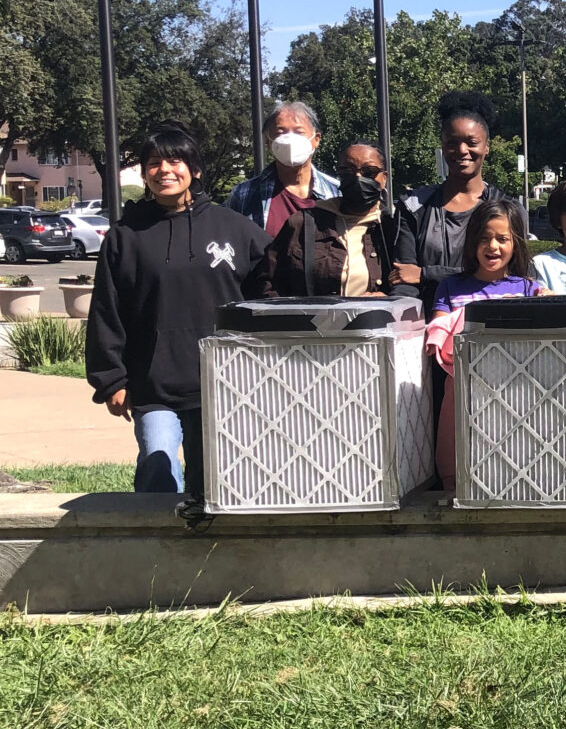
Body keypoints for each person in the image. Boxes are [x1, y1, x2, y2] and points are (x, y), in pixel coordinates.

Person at [86, 124, 268, 494]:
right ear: (143, 172)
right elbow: (107, 309)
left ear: (195, 169)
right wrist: (111, 380)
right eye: (154, 163)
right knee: (158, 465)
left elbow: (269, 297)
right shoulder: (125, 236)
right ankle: (154, 549)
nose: (164, 170)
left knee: (215, 482)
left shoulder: (235, 228)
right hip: (153, 385)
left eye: (175, 160)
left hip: (223, 385)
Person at [425, 199, 543, 489]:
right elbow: (440, 331)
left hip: (516, 392)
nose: (493, 247)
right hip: (463, 390)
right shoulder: (450, 287)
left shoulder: (528, 288)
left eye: (502, 239)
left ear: (516, 243)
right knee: (459, 465)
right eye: (484, 238)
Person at [394, 91, 527, 311]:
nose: (462, 150)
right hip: (429, 329)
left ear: (487, 146)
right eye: (452, 143)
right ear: (443, 146)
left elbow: (514, 277)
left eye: (471, 142)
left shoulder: (509, 209)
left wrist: (426, 274)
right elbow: (403, 278)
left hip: (493, 327)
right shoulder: (413, 206)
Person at [257, 142, 397, 298]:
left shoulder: (393, 227)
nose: (358, 178)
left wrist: (388, 302)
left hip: (375, 321)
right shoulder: (305, 223)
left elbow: (410, 283)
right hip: (310, 320)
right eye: (347, 171)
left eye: (369, 172)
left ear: (384, 178)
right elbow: (266, 282)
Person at [225, 101, 341, 238]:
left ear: (316, 139)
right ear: (268, 142)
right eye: (281, 132)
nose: (290, 140)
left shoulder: (337, 192)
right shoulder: (244, 194)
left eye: (299, 132)